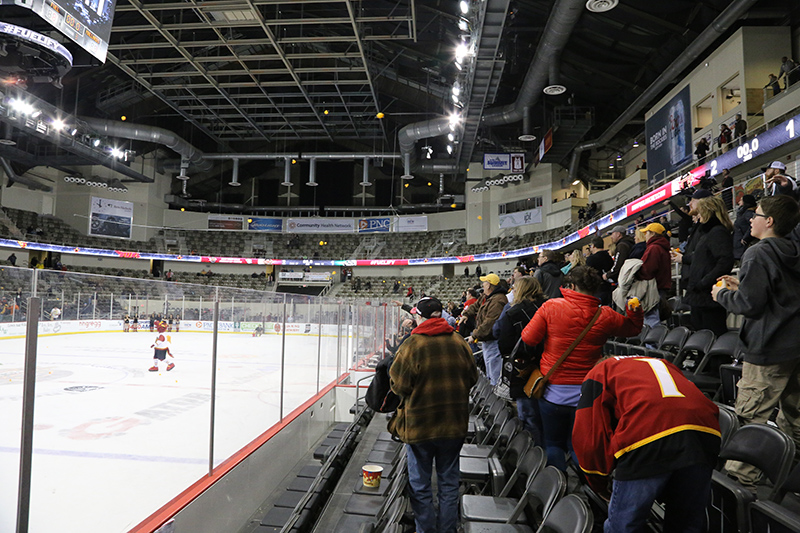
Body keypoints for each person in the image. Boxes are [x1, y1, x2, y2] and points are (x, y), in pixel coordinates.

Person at [573, 356, 721, 532]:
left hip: (649, 431)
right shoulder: (663, 363)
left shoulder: (600, 371)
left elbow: (589, 438)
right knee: (687, 524)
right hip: (706, 430)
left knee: (624, 526)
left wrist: (598, 482)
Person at [712, 194, 800, 487]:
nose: (751, 219)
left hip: (767, 348)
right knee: (795, 418)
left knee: (751, 418)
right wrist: (744, 285)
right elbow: (780, 294)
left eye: (756, 214)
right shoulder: (794, 249)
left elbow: (750, 305)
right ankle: (790, 479)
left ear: (769, 221)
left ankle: (739, 485)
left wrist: (723, 295)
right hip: (794, 346)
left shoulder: (757, 252)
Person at [521, 266, 643, 471]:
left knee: (553, 443)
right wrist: (634, 311)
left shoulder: (551, 307)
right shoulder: (605, 314)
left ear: (572, 285)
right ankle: (588, 483)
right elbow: (633, 328)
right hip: (587, 393)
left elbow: (528, 338)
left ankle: (557, 484)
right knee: (578, 446)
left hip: (553, 391)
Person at [389, 297, 478, 533]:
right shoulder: (458, 341)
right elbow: (473, 378)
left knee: (420, 485)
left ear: (419, 317)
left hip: (420, 426)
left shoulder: (412, 345)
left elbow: (399, 386)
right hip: (453, 425)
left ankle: (425, 530)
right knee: (449, 484)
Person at [493, 276, 547, 445]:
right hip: (549, 364)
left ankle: (534, 449)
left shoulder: (513, 312)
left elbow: (504, 342)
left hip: (523, 369)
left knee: (528, 415)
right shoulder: (548, 307)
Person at [672, 194, 734, 336]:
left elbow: (725, 261)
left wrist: (704, 282)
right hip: (700, 295)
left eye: (700, 212)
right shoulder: (707, 233)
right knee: (701, 335)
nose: (698, 216)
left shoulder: (717, 232)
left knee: (711, 335)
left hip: (708, 295)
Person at [462, 274, 508, 386]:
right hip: (487, 339)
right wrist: (466, 314)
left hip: (493, 340)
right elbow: (475, 306)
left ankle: (495, 391)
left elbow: (489, 322)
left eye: (484, 282)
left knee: (494, 370)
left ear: (489, 285)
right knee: (489, 368)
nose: (482, 285)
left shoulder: (498, 300)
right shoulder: (487, 297)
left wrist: (475, 335)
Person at [637, 223, 672, 327]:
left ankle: (654, 338)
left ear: (652, 233)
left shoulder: (654, 248)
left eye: (646, 233)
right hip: (661, 287)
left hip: (654, 289)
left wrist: (637, 275)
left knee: (651, 319)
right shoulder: (662, 247)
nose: (645, 236)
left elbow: (648, 270)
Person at [586, 236, 614, 305]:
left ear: (593, 246)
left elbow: (587, 275)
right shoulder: (609, 257)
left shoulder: (591, 259)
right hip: (609, 288)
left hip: (596, 290)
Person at [733, 194, 757, 261]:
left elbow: (752, 225)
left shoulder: (748, 213)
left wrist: (746, 238)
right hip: (740, 246)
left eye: (741, 200)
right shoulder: (742, 213)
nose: (739, 202)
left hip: (744, 246)